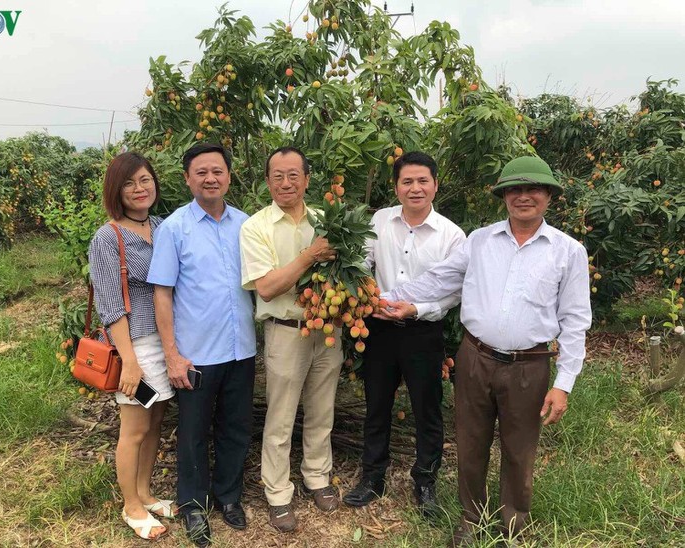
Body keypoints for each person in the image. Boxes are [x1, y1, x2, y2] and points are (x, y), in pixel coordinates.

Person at [379, 156, 592, 545]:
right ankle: (471, 518)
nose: (523, 197)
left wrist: (564, 383)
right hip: (475, 358)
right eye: (515, 190)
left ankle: (514, 522)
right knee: (470, 442)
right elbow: (438, 280)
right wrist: (383, 299)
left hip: (529, 364)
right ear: (504, 196)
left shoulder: (568, 251)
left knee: (519, 448)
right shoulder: (479, 241)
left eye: (533, 190)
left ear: (548, 196)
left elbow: (576, 320)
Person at [343, 152, 466, 518]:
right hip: (379, 330)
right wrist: (368, 295)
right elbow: (360, 263)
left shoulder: (451, 235)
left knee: (427, 409)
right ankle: (373, 477)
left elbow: (455, 290)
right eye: (407, 182)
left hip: (422, 333)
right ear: (396, 187)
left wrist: (416, 309)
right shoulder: (379, 221)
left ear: (435, 185)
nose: (415, 188)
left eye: (422, 181)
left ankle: (425, 480)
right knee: (376, 405)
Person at [147, 144, 256, 547]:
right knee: (192, 431)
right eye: (201, 172)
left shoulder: (246, 224)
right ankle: (193, 505)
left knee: (236, 427)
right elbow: (162, 293)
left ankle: (229, 497)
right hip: (195, 355)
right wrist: (172, 355)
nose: (210, 178)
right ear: (187, 178)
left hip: (240, 349)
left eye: (217, 171)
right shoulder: (175, 227)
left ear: (229, 175)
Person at [239, 146, 341, 532]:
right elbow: (267, 288)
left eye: (294, 175)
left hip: (327, 329)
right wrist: (310, 256)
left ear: (307, 179)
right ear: (267, 181)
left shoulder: (325, 219)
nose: (286, 183)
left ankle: (317, 476)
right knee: (280, 418)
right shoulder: (256, 227)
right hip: (284, 332)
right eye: (278, 176)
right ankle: (278, 493)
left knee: (322, 410)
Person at [88, 152, 176, 541]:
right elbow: (110, 305)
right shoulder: (109, 237)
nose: (139, 189)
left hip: (165, 343)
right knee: (135, 426)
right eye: (129, 183)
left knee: (156, 421)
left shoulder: (161, 227)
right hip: (136, 345)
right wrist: (129, 361)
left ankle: (145, 492)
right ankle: (131, 505)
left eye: (145, 180)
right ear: (116, 191)